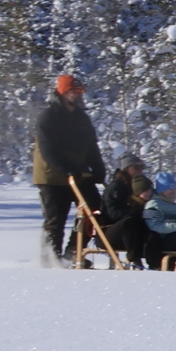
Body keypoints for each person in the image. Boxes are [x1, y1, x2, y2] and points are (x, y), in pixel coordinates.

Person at [32, 75, 107, 267]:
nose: (77, 95)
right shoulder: (48, 117)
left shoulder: (82, 118)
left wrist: (98, 169)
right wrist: (66, 169)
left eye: (79, 91)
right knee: (56, 219)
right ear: (62, 93)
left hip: (78, 174)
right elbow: (48, 149)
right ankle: (50, 259)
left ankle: (73, 253)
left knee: (95, 211)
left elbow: (91, 146)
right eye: (73, 91)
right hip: (52, 176)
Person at [102, 153, 153, 265]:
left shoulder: (141, 186)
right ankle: (134, 260)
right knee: (128, 222)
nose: (140, 171)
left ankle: (158, 264)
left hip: (133, 232)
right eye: (136, 167)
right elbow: (113, 214)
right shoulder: (116, 188)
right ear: (126, 169)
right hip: (109, 232)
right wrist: (136, 213)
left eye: (142, 168)